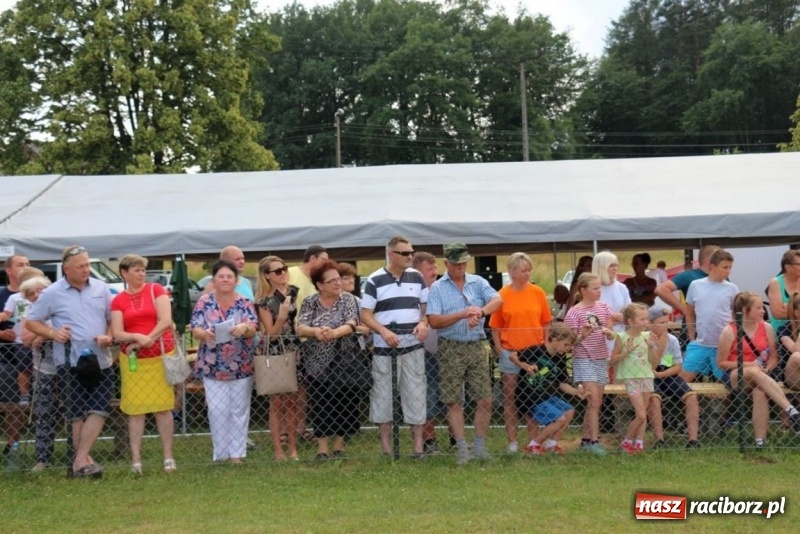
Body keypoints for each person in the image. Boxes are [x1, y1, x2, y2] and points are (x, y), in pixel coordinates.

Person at [26, 245, 114, 478]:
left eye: (87, 265)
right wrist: (53, 333)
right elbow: (31, 322)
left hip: (101, 359)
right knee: (76, 414)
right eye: (80, 266)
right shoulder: (52, 293)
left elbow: (112, 319)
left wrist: (109, 335)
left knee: (100, 409)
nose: (86, 269)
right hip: (70, 361)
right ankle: (84, 463)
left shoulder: (101, 287)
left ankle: (79, 461)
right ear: (66, 269)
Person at [426, 243, 502, 464]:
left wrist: (480, 312)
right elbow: (434, 320)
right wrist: (461, 314)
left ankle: (479, 446)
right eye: (456, 263)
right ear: (446, 263)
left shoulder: (478, 282)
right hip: (450, 346)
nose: (461, 267)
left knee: (485, 398)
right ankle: (461, 447)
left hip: (476, 345)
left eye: (464, 263)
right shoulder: (438, 288)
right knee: (453, 400)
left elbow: (498, 299)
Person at [361, 236, 429, 458]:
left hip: (413, 347)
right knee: (382, 397)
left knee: (416, 395)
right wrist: (384, 331)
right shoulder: (374, 280)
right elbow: (365, 315)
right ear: (391, 255)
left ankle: (418, 449)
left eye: (411, 252)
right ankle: (387, 451)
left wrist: (423, 322)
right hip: (384, 350)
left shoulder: (417, 277)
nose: (410, 256)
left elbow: (426, 307)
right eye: (405, 253)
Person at [110, 254, 177, 474]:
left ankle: (168, 456)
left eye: (143, 270)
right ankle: (136, 460)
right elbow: (117, 332)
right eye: (136, 270)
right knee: (135, 410)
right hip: (133, 361)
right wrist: (136, 337)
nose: (141, 274)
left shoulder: (156, 289)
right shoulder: (118, 300)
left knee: (163, 408)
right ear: (124, 273)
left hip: (159, 356)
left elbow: (165, 320)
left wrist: (147, 339)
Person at [191, 259, 257, 464]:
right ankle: (221, 453)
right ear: (214, 279)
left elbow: (253, 327)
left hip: (241, 364)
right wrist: (204, 334)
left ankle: (237, 454)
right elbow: (195, 328)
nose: (226, 280)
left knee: (239, 409)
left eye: (230, 276)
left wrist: (244, 328)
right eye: (221, 276)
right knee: (217, 409)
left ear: (236, 280)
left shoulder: (244, 302)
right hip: (212, 364)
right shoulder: (204, 302)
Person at [296, 259, 364, 460]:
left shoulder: (348, 299)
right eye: (331, 281)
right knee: (320, 404)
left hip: (345, 361)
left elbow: (352, 323)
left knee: (345, 402)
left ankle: (339, 446)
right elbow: (300, 327)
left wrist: (334, 333)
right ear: (319, 285)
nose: (337, 283)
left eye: (338, 279)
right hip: (317, 363)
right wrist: (315, 331)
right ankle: (322, 448)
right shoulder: (310, 301)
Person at [716, 292, 800, 445]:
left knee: (760, 392)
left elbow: (774, 357)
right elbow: (721, 362)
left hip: (762, 374)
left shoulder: (767, 328)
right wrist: (749, 365)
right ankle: (791, 410)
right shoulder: (729, 331)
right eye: (759, 307)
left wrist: (767, 369)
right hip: (736, 374)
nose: (763, 311)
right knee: (753, 371)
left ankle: (760, 441)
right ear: (746, 310)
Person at [488, 252, 552, 453]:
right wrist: (500, 350)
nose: (527, 274)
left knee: (533, 396)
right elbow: (495, 327)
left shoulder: (538, 292)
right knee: (510, 398)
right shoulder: (502, 295)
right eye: (523, 270)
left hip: (535, 353)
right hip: (510, 352)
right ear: (512, 272)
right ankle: (512, 441)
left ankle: (533, 440)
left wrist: (545, 345)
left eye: (529, 270)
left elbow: (546, 322)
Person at [511, 323, 587, 455]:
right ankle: (533, 445)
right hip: (528, 395)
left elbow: (562, 383)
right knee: (559, 419)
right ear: (555, 340)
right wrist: (524, 365)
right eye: (566, 345)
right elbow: (513, 356)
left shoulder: (560, 358)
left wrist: (577, 392)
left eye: (570, 346)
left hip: (543, 394)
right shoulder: (537, 350)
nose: (568, 348)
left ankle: (551, 444)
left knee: (569, 411)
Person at [563, 273, 616, 455]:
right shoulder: (574, 312)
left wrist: (609, 333)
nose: (599, 291)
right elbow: (569, 342)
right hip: (583, 358)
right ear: (583, 290)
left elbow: (612, 333)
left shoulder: (604, 307)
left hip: (601, 358)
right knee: (593, 400)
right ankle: (594, 440)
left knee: (597, 402)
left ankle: (586, 440)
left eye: (600, 288)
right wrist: (582, 336)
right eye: (595, 288)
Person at [255, 255, 301, 461]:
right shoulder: (264, 302)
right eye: (278, 271)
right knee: (276, 403)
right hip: (274, 350)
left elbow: (295, 320)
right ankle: (278, 451)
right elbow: (271, 334)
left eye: (284, 268)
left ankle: (293, 448)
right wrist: (281, 316)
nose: (283, 273)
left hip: (294, 347)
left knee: (292, 401)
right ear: (267, 276)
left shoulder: (292, 291)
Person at [289, 244, 328, 444]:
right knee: (288, 388)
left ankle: (301, 428)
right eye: (324, 259)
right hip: (290, 340)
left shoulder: (319, 281)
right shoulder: (290, 273)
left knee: (304, 388)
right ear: (313, 258)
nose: (326, 264)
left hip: (312, 342)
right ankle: (286, 431)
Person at [646, 306, 701, 449]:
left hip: (667, 373)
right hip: (649, 374)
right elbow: (651, 365)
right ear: (650, 324)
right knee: (654, 398)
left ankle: (693, 440)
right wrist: (661, 344)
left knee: (691, 396)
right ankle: (659, 440)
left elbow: (677, 367)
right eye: (661, 323)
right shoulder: (644, 339)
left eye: (666, 322)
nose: (665, 326)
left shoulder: (672, 340)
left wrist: (662, 374)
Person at [680, 249, 738, 383]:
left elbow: (736, 315)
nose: (728, 271)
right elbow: (689, 313)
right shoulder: (695, 285)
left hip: (724, 346)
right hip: (701, 343)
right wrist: (691, 337)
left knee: (726, 383)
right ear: (712, 266)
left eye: (730, 267)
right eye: (724, 267)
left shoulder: (732, 288)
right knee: (683, 380)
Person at [610, 303, 660, 453]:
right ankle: (627, 441)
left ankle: (639, 442)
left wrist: (651, 347)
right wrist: (626, 352)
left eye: (646, 319)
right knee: (641, 414)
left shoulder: (648, 337)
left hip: (646, 376)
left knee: (643, 412)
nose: (645, 322)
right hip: (631, 378)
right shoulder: (622, 337)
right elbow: (613, 360)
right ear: (630, 321)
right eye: (642, 319)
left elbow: (654, 363)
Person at [17, 275, 56, 471]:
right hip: (43, 368)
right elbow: (25, 339)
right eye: (30, 293)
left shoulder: (58, 305)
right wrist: (44, 331)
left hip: (69, 366)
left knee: (75, 412)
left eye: (39, 290)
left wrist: (43, 331)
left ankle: (78, 456)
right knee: (43, 413)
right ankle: (42, 458)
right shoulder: (30, 312)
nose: (35, 295)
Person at [412, 251, 448, 454]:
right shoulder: (412, 293)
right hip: (424, 352)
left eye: (435, 267)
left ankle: (456, 438)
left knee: (453, 396)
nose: (434, 271)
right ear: (418, 272)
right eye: (429, 268)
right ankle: (429, 440)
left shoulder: (442, 289)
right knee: (429, 396)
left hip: (446, 349)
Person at [1, 265, 44, 408]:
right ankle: (24, 394)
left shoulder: (43, 298)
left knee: (38, 368)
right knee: (24, 367)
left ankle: (37, 393)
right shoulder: (15, 298)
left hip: (39, 338)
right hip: (20, 340)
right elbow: (6, 314)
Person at [654, 245, 721, 319]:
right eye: (720, 258)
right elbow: (661, 289)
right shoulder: (689, 276)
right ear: (709, 260)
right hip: (694, 323)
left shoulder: (722, 277)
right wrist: (684, 309)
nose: (723, 260)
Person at [766, 249, 800, 335]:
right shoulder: (776, 282)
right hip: (780, 331)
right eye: (799, 264)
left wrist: (787, 306)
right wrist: (795, 308)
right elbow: (777, 313)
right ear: (787, 267)